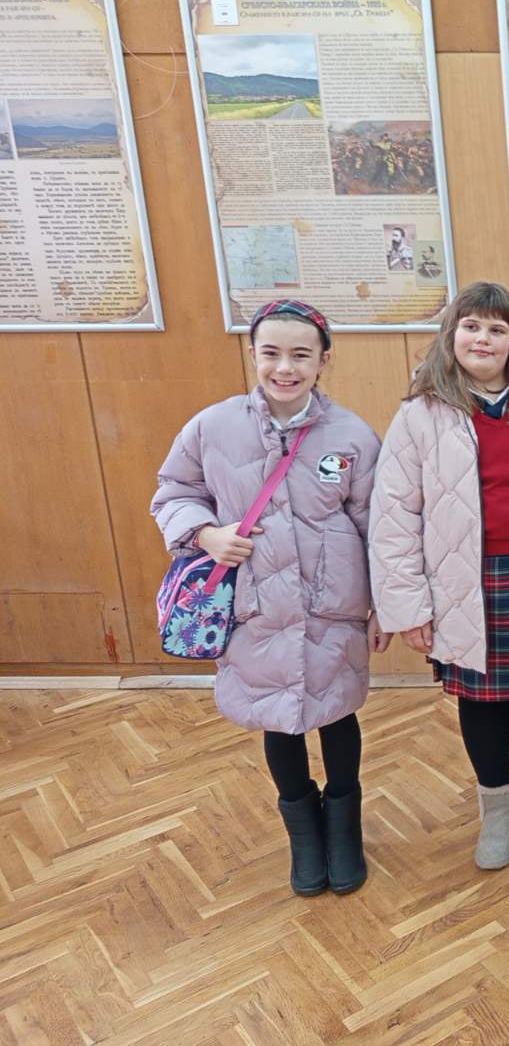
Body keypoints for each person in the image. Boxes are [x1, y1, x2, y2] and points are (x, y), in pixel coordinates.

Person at [151, 300, 383, 897]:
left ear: (323, 360)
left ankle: (344, 830)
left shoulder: (352, 435)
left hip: (332, 602)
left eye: (301, 355)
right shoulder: (212, 427)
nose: (285, 367)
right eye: (272, 353)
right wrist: (207, 534)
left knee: (337, 712)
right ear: (253, 354)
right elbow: (173, 492)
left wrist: (383, 605)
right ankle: (304, 835)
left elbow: (376, 526)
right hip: (253, 605)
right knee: (277, 719)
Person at [369, 282, 509, 870]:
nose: (483, 339)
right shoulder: (420, 414)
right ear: (452, 335)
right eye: (472, 326)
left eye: (498, 328)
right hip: (461, 582)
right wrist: (407, 605)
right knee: (480, 697)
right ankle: (496, 805)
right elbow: (393, 517)